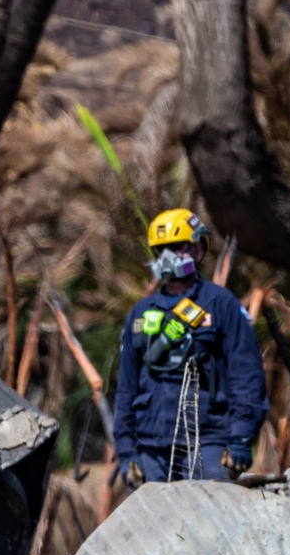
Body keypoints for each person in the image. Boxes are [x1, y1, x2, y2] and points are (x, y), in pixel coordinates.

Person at [113, 209, 268, 488]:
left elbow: (246, 376)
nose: (168, 256)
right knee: (155, 530)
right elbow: (126, 388)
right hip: (151, 451)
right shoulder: (140, 312)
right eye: (162, 249)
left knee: (212, 527)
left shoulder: (221, 304)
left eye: (177, 247)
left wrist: (241, 437)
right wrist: (126, 453)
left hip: (208, 444)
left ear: (198, 249)